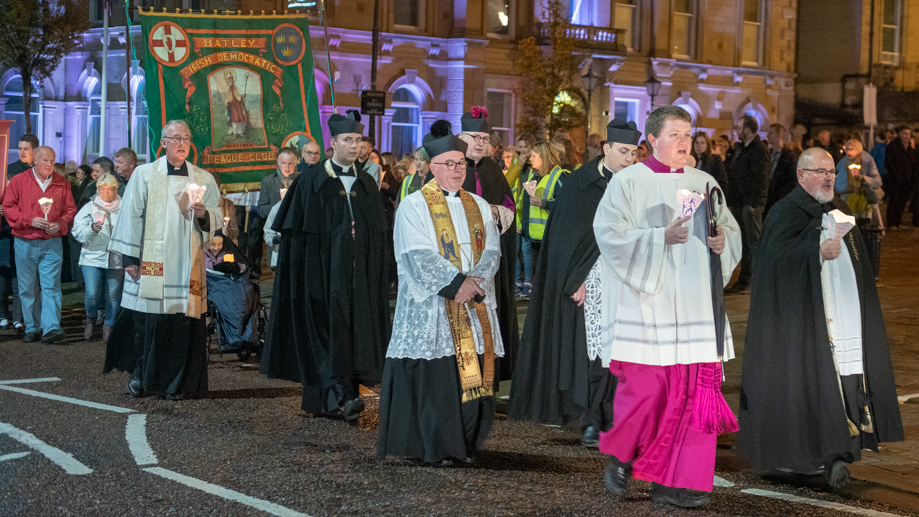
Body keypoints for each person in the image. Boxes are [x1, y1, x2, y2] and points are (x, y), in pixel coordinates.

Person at [593, 106, 741, 508]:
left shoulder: (705, 182)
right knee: (646, 391)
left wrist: (722, 242)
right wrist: (660, 237)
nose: (683, 142)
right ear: (652, 139)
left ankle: (675, 482)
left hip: (695, 306)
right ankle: (622, 453)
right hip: (648, 305)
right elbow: (609, 234)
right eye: (674, 135)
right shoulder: (628, 182)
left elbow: (728, 227)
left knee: (692, 397)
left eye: (688, 135)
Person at [737, 147, 903, 488]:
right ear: (801, 175)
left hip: (841, 318)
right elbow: (772, 262)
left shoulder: (839, 208)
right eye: (820, 171)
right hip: (803, 323)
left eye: (831, 171)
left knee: (842, 383)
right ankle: (807, 454)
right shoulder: (786, 211)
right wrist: (814, 251)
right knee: (808, 384)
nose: (829, 177)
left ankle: (837, 451)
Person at [377, 119, 503, 467]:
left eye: (460, 163)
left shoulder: (477, 203)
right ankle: (437, 446)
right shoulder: (414, 205)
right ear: (432, 167)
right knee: (439, 381)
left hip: (470, 302)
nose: (456, 169)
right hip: (433, 306)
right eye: (449, 164)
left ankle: (465, 443)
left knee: (471, 377)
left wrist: (474, 280)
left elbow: (492, 249)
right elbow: (416, 255)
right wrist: (456, 283)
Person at [509, 119, 641, 448]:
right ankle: (592, 418)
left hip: (628, 278)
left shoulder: (638, 182)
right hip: (593, 280)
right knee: (594, 353)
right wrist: (576, 277)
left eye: (634, 153)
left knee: (623, 351)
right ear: (607, 148)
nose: (629, 159)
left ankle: (618, 414)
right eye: (623, 151)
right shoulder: (581, 182)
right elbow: (569, 236)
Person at [261, 110, 392, 422]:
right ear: (333, 143)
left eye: (358, 140)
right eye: (347, 140)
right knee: (324, 332)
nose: (354, 146)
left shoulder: (367, 184)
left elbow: (378, 233)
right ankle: (336, 395)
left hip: (357, 276)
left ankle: (347, 394)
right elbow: (296, 237)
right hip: (321, 276)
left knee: (353, 332)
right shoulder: (311, 183)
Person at [104, 119, 222, 400]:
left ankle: (179, 384)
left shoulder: (203, 178)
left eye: (186, 138)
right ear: (163, 142)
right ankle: (143, 377)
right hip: (152, 261)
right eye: (175, 138)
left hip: (187, 264)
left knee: (184, 324)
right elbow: (130, 215)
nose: (181, 144)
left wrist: (205, 214)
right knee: (149, 323)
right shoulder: (145, 175)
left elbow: (218, 217)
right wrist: (130, 257)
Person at [457, 107, 518, 381]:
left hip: (488, 260)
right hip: (458, 257)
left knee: (487, 319)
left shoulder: (493, 170)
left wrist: (492, 211)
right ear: (461, 137)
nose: (481, 142)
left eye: (485, 138)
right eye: (475, 137)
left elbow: (509, 207)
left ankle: (486, 378)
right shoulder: (452, 166)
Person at [2, 146, 77, 344]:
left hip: (52, 243)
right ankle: (32, 327)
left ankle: (51, 328)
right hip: (25, 241)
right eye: (45, 161)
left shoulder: (62, 184)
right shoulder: (19, 181)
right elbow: (8, 207)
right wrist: (29, 220)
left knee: (51, 286)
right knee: (27, 287)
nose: (49, 165)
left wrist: (60, 224)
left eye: (52, 161)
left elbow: (70, 210)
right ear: (35, 160)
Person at [72, 173, 123, 342]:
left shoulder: (124, 208)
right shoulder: (89, 208)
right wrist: (92, 230)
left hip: (116, 257)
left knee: (113, 294)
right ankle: (91, 319)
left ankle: (109, 324)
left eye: (109, 189)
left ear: (116, 190)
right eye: (102, 189)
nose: (105, 192)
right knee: (92, 293)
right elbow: (77, 232)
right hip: (92, 257)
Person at [515, 140, 567, 299]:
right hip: (533, 234)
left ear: (544, 157)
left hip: (549, 236)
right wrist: (521, 225)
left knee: (546, 274)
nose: (531, 159)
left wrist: (544, 203)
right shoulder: (532, 174)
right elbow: (524, 203)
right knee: (537, 272)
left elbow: (565, 204)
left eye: (534, 156)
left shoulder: (559, 175)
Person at [727, 115, 770, 294]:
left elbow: (761, 178)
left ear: (747, 129)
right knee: (744, 243)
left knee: (753, 243)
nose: (736, 130)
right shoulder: (743, 149)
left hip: (751, 204)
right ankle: (743, 280)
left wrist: (753, 203)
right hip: (741, 203)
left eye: (739, 127)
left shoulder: (759, 150)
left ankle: (754, 282)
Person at [0, 134, 36, 331]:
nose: (22, 152)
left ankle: (19, 317)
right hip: (6, 231)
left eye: (26, 149)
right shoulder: (9, 170)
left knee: (21, 277)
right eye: (20, 148)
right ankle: (3, 314)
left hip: (27, 231)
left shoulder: (40, 173)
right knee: (4, 274)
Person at [834, 139, 882, 225]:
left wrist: (864, 178)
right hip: (848, 205)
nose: (848, 151)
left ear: (859, 151)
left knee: (863, 229)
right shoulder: (842, 163)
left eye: (851, 149)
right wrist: (846, 188)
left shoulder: (868, 161)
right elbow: (836, 184)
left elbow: (877, 182)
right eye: (847, 148)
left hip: (865, 206)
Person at [883, 126, 917, 230]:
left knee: (902, 202)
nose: (906, 136)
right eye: (904, 133)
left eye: (908, 134)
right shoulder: (893, 146)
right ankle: (891, 223)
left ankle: (898, 222)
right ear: (899, 134)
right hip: (896, 180)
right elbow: (888, 162)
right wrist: (895, 174)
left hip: (907, 179)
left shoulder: (910, 147)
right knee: (894, 201)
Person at [765, 123, 798, 213]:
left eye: (771, 133)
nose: (767, 136)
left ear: (778, 135)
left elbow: (793, 179)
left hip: (778, 198)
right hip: (768, 197)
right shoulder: (768, 153)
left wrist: (781, 193)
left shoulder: (789, 156)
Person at [224, 69, 248, 137]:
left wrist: (242, 95)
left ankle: (240, 132)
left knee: (240, 117)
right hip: (231, 105)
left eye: (231, 80)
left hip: (237, 104)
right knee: (234, 118)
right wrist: (228, 102)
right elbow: (228, 96)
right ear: (227, 81)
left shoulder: (235, 87)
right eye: (229, 80)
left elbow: (237, 95)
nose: (230, 81)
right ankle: (234, 132)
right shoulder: (227, 88)